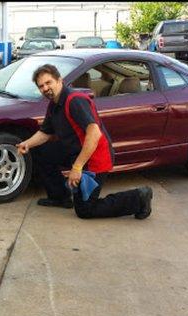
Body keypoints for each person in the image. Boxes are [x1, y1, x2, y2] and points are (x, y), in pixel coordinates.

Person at [16, 64, 153, 219]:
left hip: (94, 159)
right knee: (40, 151)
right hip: (74, 151)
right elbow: (45, 133)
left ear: (59, 80)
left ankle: (138, 198)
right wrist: (26, 144)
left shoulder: (74, 101)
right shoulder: (54, 104)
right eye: (41, 86)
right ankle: (60, 197)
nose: (45, 88)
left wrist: (77, 168)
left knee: (86, 210)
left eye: (48, 83)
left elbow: (94, 134)